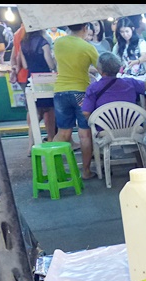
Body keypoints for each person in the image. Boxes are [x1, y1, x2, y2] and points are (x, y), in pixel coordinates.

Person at [52, 23, 99, 180]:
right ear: (85, 28)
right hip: (80, 92)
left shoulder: (58, 42)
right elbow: (102, 69)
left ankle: (55, 171)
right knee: (85, 134)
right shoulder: (87, 47)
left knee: (63, 132)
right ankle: (86, 172)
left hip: (60, 91)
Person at [82, 52, 146, 119]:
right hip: (133, 128)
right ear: (119, 68)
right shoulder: (130, 83)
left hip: (105, 129)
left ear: (99, 70)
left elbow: (86, 112)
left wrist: (93, 122)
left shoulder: (93, 88)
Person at [19, 28, 57, 149]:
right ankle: (51, 140)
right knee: (50, 111)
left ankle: (31, 146)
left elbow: (25, 65)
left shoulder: (23, 43)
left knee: (35, 115)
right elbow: (50, 64)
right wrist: (54, 60)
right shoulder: (43, 42)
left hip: (32, 79)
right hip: (45, 79)